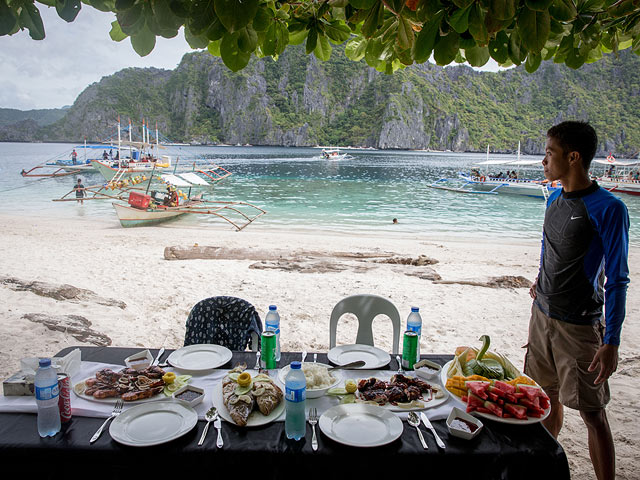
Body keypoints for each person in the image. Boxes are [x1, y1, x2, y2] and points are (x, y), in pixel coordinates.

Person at [527, 121, 629, 480]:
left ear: (573, 157)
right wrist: (540, 282)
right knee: (544, 400)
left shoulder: (608, 208)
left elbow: (617, 279)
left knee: (592, 413)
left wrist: (611, 340)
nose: (544, 161)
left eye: (549, 153)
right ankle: (544, 467)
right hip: (542, 317)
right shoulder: (554, 198)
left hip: (580, 326)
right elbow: (549, 249)